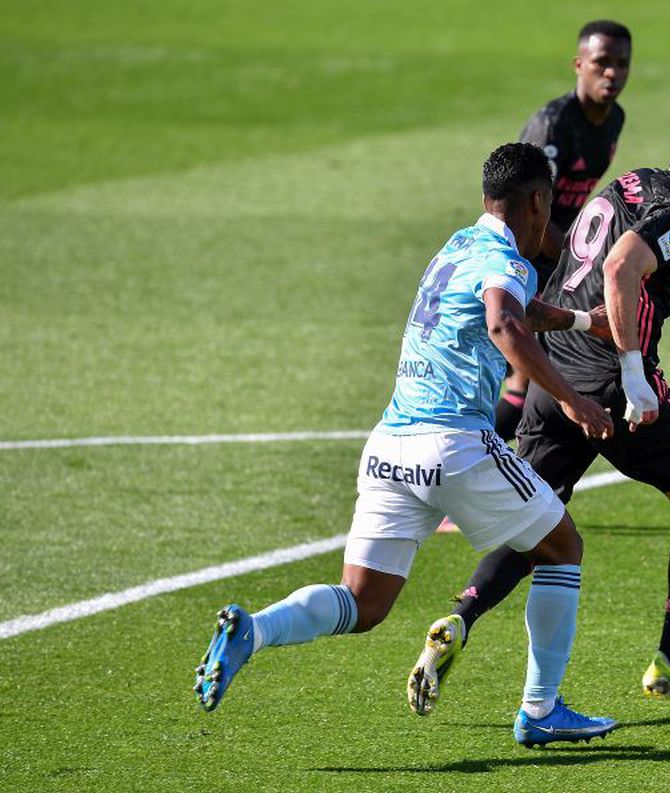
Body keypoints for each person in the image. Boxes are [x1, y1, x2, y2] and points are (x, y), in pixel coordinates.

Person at [194, 142, 619, 748]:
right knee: (561, 547)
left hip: (389, 446)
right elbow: (503, 321)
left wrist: (582, 321)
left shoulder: (456, 247)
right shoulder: (509, 261)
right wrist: (574, 400)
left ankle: (253, 632)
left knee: (363, 604)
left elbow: (510, 311)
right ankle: (541, 709)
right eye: (546, 213)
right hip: (454, 445)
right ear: (536, 202)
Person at [413, 127, 670, 713]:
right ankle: (669, 660)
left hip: (554, 379)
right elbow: (619, 269)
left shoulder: (627, 186)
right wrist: (634, 373)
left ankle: (459, 619)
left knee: (535, 520)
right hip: (613, 384)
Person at [493, 19, 632, 441]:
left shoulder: (613, 119)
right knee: (520, 371)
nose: (612, 73)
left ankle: (486, 473)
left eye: (622, 64)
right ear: (578, 64)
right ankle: (478, 471)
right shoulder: (553, 126)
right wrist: (577, 259)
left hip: (559, 259)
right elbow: (523, 208)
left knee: (530, 375)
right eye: (601, 62)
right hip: (526, 257)